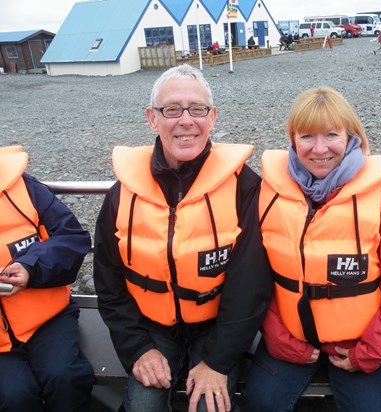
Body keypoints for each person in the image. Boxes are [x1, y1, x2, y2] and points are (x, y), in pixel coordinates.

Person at [93, 64, 273, 412]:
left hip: (216, 327)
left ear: (213, 116)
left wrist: (219, 362)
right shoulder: (122, 193)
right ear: (152, 118)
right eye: (172, 110)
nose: (186, 121)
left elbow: (249, 287)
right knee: (143, 406)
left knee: (209, 406)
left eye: (197, 109)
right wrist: (137, 350)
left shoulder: (244, 187)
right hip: (151, 329)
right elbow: (108, 283)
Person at [241, 86, 381, 411]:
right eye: (307, 136)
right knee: (260, 403)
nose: (319, 148)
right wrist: (279, 338)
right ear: (293, 139)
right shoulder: (269, 194)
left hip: (364, 342)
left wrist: (370, 350)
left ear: (351, 136)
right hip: (290, 339)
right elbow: (254, 277)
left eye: (331, 135)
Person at [0, 145, 94, 411]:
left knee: (66, 377)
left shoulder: (22, 186)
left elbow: (72, 237)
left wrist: (31, 267)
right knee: (15, 396)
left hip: (48, 321)